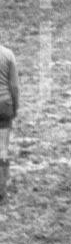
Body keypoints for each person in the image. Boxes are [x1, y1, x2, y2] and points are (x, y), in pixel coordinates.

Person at [0, 42, 19, 202]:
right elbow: (14, 85)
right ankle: (3, 187)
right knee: (3, 147)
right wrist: (16, 106)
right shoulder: (8, 54)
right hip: (4, 105)